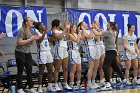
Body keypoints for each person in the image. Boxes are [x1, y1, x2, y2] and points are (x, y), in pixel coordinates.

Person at [15, 17, 39, 93]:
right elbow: (19, 42)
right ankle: (19, 89)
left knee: (29, 70)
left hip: (27, 53)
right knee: (20, 70)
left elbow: (31, 43)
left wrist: (34, 38)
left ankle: (31, 88)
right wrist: (30, 39)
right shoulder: (21, 30)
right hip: (20, 52)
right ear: (26, 22)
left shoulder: (31, 30)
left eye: (32, 21)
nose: (32, 22)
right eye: (30, 21)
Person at [101, 22, 126, 90]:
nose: (106, 25)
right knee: (115, 66)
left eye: (108, 25)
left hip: (111, 51)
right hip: (112, 51)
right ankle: (123, 79)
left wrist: (93, 28)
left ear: (111, 26)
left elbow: (98, 33)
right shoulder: (114, 32)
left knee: (105, 66)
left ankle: (108, 84)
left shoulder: (108, 32)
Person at [33, 22, 55, 92]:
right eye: (42, 25)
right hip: (42, 53)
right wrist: (44, 32)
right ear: (39, 27)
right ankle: (39, 87)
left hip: (48, 52)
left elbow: (51, 41)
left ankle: (50, 86)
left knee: (50, 70)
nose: (44, 25)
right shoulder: (36, 33)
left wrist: (53, 34)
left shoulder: (44, 34)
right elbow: (39, 40)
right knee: (41, 71)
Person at [78, 21, 101, 89]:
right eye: (85, 23)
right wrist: (92, 30)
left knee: (96, 66)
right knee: (91, 66)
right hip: (89, 48)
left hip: (95, 47)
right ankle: (89, 83)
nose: (87, 24)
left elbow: (97, 38)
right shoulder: (83, 31)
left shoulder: (89, 30)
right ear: (82, 25)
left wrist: (96, 29)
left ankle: (93, 82)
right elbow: (89, 37)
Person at [52, 19, 72, 91]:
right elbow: (60, 37)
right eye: (60, 23)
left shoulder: (61, 31)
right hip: (59, 48)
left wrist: (68, 29)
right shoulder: (54, 31)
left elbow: (67, 37)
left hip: (64, 49)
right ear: (56, 24)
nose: (61, 24)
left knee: (65, 68)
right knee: (57, 68)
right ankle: (56, 85)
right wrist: (64, 29)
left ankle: (65, 83)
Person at [67, 24, 82, 89]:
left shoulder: (76, 34)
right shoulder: (70, 35)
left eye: (75, 27)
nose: (75, 28)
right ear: (71, 28)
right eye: (74, 27)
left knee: (79, 69)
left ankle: (78, 83)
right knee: (73, 69)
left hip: (77, 51)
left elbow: (83, 38)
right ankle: (71, 84)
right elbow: (77, 40)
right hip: (72, 51)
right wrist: (79, 33)